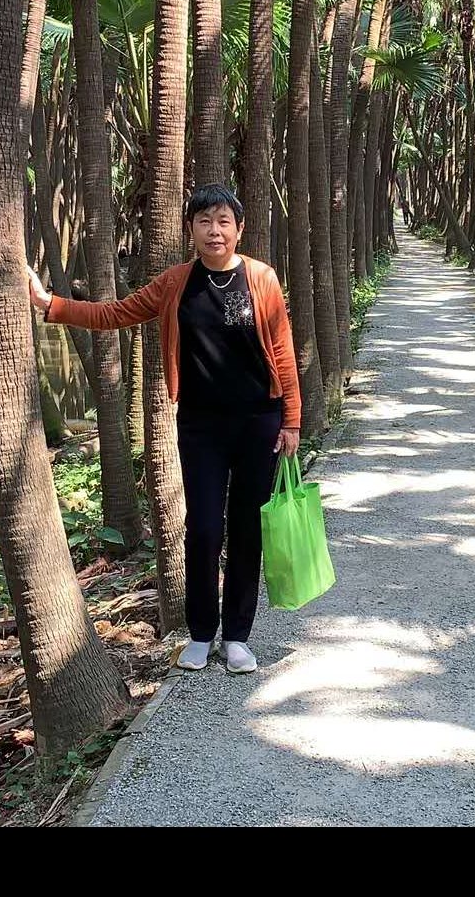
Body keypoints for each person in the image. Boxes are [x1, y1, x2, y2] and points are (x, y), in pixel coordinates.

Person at [28, 184, 301, 675]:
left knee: (246, 530)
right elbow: (115, 313)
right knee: (203, 529)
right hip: (201, 426)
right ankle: (202, 634)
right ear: (190, 229)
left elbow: (282, 350)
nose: (214, 231)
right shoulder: (176, 283)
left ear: (239, 229)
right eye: (204, 221)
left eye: (223, 221)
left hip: (258, 422)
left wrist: (292, 421)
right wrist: (52, 305)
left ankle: (237, 637)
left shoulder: (261, 279)